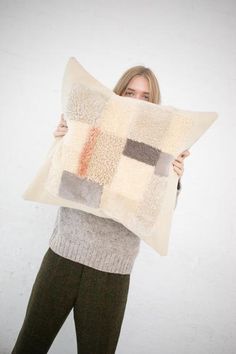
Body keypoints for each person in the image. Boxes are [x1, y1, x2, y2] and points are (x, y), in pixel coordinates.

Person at [11, 65, 190, 354]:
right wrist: (63, 140)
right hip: (62, 256)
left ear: (155, 104)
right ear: (118, 94)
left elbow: (153, 217)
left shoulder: (158, 150)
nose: (136, 101)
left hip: (112, 272)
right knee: (29, 346)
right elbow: (60, 182)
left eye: (145, 97)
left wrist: (174, 181)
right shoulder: (94, 127)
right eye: (130, 92)